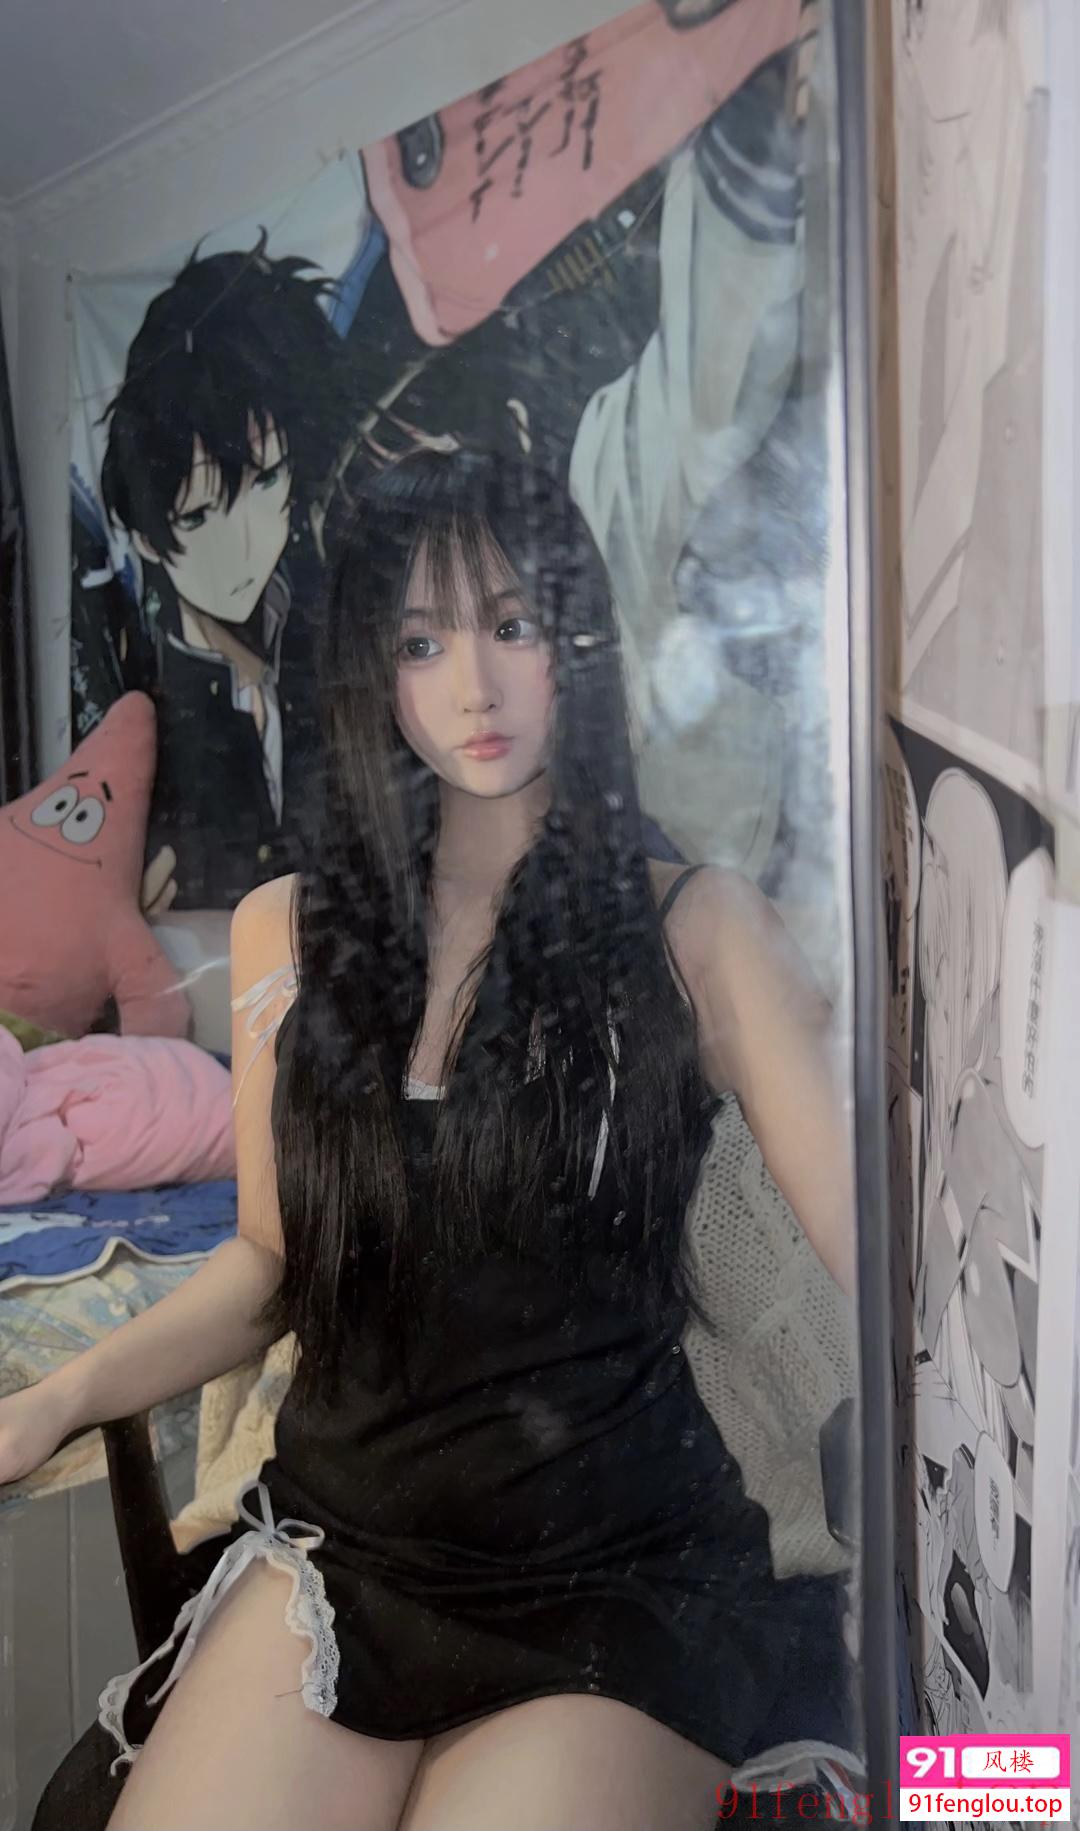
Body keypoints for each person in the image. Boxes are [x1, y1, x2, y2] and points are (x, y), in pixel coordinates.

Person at [0, 452, 855, 1831]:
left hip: (616, 1568)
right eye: (420, 641)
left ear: (577, 639)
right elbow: (271, 1262)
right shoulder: (289, 930)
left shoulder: (700, 927)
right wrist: (56, 1396)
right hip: (352, 1548)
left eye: (513, 624)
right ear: (370, 672)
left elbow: (883, 1265)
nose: (474, 686)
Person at [97, 234, 358, 908]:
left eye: (267, 480)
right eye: (196, 516)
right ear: (147, 538)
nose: (244, 546)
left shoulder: (335, 634)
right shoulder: (135, 709)